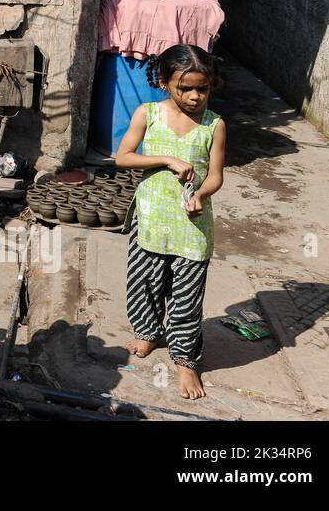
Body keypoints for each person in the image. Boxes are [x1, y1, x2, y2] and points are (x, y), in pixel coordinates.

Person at [114, 44, 227, 401]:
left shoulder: (214, 125)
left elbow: (216, 176)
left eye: (202, 89)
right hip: (151, 218)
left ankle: (186, 360)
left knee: (187, 297)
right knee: (145, 283)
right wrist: (165, 159)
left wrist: (201, 196)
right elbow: (123, 158)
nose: (195, 97)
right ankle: (149, 331)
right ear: (164, 82)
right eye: (185, 88)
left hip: (193, 225)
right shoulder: (148, 114)